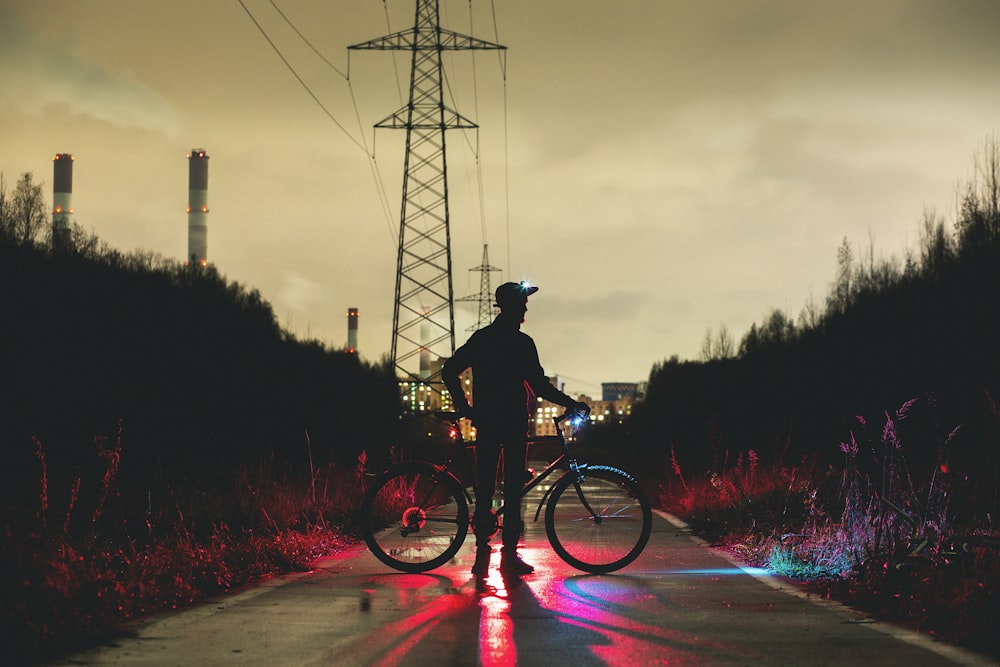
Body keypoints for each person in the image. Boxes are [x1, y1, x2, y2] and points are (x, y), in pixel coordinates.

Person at [442, 281, 590, 577]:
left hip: (486, 420)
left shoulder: (482, 339)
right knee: (512, 488)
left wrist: (465, 407)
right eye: (522, 303)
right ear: (510, 306)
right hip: (511, 423)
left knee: (485, 485)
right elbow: (539, 384)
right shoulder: (522, 344)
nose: (525, 308)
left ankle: (482, 555)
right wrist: (569, 403)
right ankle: (509, 555)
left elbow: (449, 370)